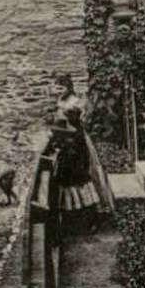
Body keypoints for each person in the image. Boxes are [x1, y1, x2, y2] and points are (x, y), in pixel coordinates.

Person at [51, 72, 116, 229]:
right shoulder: (61, 100)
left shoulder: (74, 101)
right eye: (57, 88)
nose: (59, 91)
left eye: (62, 88)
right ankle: (72, 218)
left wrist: (67, 129)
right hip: (66, 140)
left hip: (76, 140)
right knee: (65, 175)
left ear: (68, 87)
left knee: (80, 175)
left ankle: (90, 217)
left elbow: (75, 123)